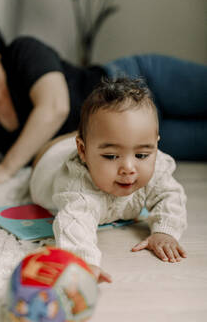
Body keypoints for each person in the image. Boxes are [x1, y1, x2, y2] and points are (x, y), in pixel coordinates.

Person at [0, 17, 207, 187]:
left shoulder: (22, 51)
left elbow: (55, 107)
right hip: (130, 141)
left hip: (138, 79)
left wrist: (6, 169)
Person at [30, 78, 188, 283]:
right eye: (111, 156)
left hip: (88, 143)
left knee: (105, 137)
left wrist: (165, 231)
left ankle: (89, 139)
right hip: (49, 158)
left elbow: (170, 195)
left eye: (141, 155)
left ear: (155, 147)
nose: (128, 169)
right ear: (83, 152)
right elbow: (74, 224)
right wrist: (84, 262)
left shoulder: (155, 165)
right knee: (57, 147)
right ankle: (71, 139)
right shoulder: (77, 187)